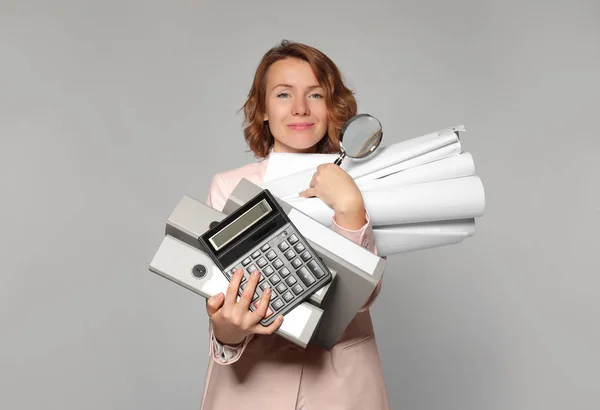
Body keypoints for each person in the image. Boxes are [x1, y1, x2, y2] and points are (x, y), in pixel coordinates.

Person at [200, 40, 389, 410]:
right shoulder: (228, 186)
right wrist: (228, 329)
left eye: (315, 95)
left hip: (342, 385)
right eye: (284, 94)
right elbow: (221, 308)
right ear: (264, 109)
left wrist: (350, 206)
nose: (300, 108)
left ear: (332, 107)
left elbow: (363, 297)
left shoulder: (362, 182)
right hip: (252, 385)